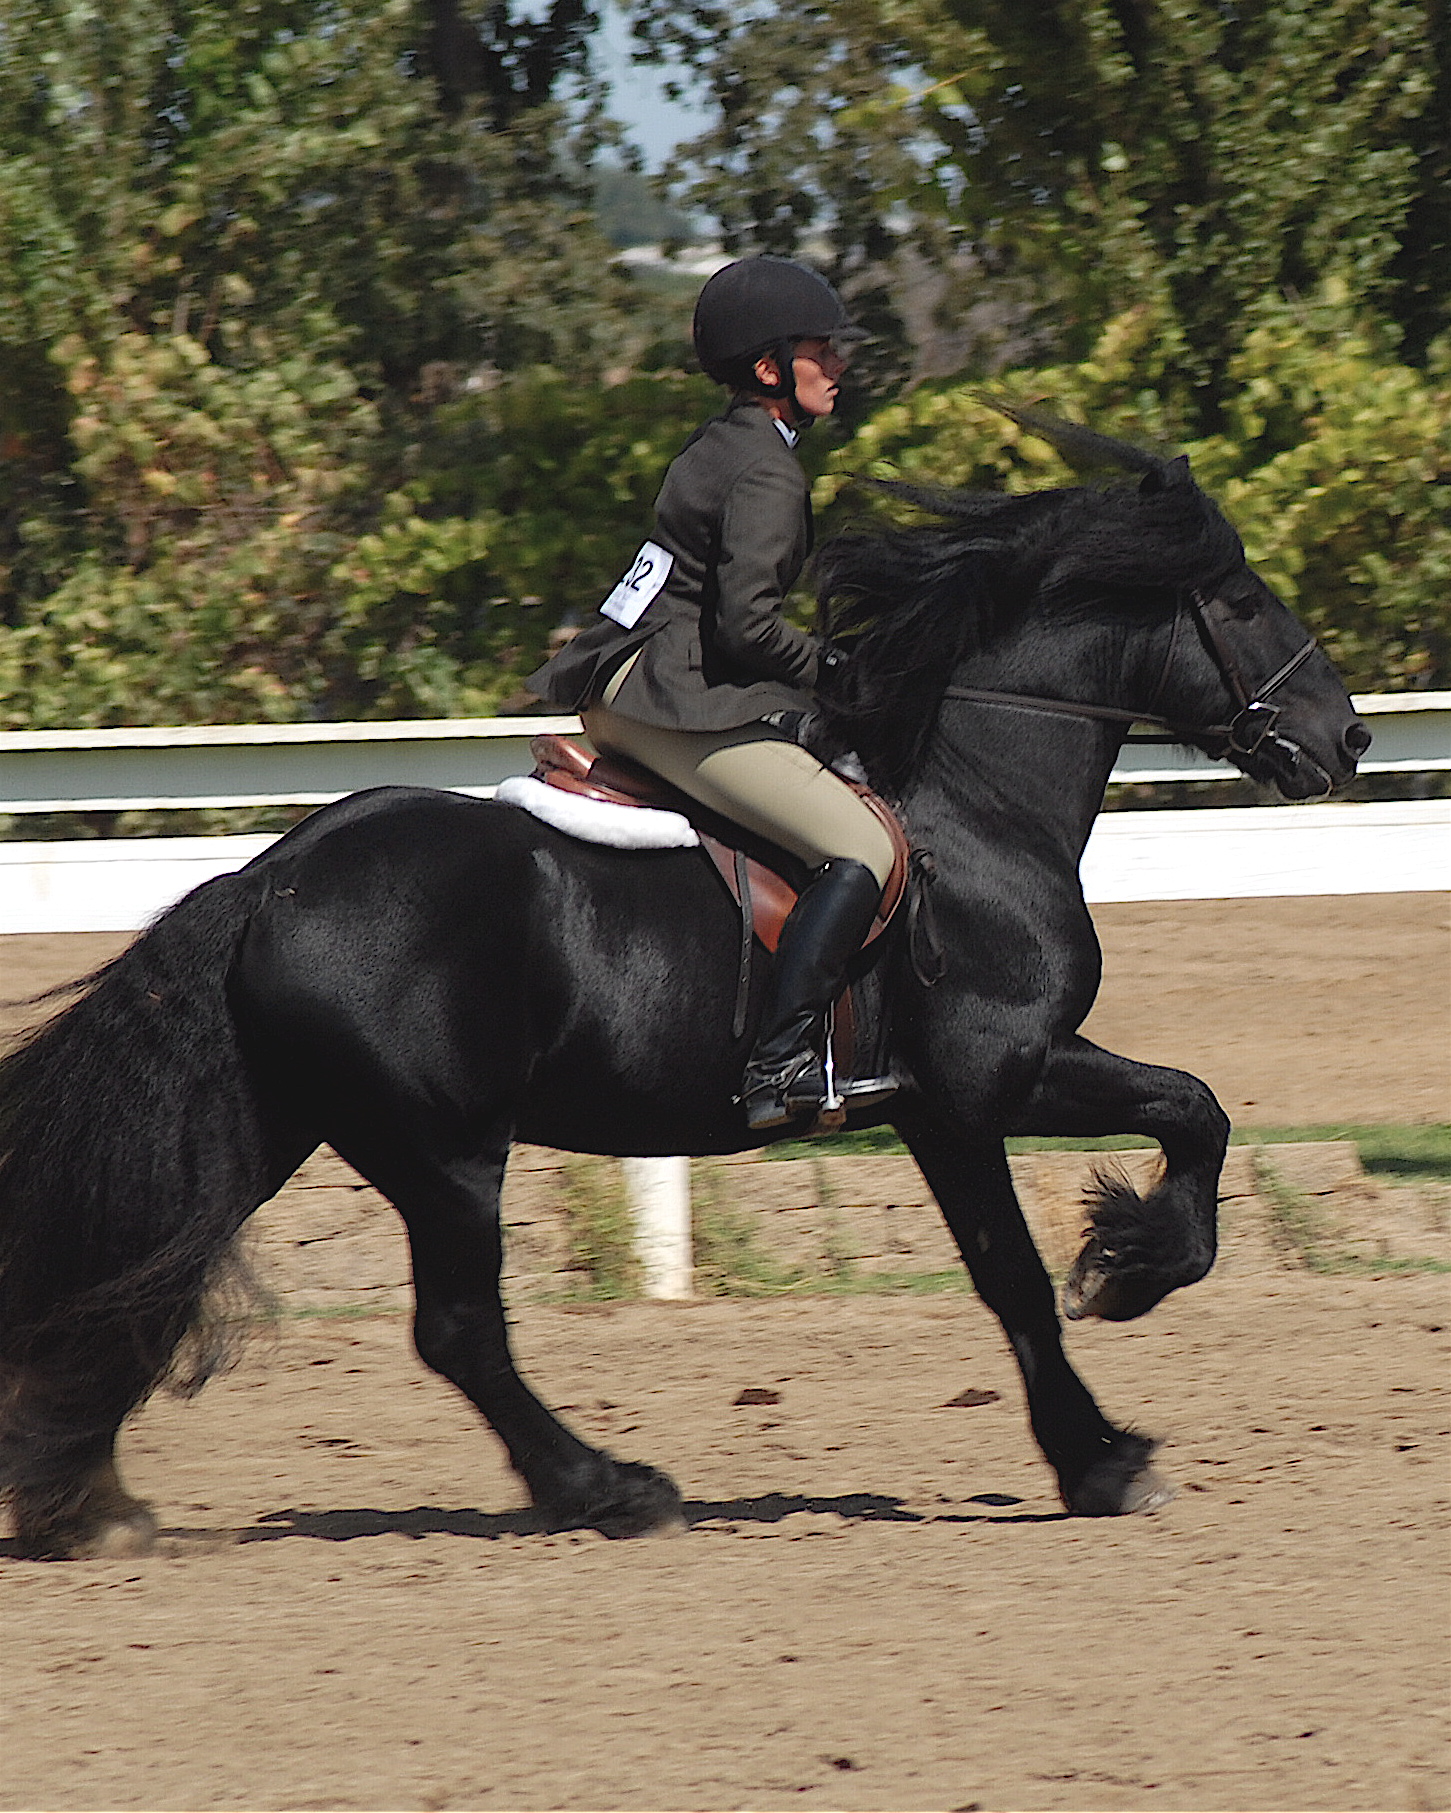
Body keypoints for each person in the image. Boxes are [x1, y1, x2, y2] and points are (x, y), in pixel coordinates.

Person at [526, 255, 897, 1132]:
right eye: (821, 349)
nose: (838, 364)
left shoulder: (717, 442)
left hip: (625, 678)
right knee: (861, 847)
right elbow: (746, 631)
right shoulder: (769, 471)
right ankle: (784, 1065)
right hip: (672, 697)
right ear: (770, 366)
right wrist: (841, 676)